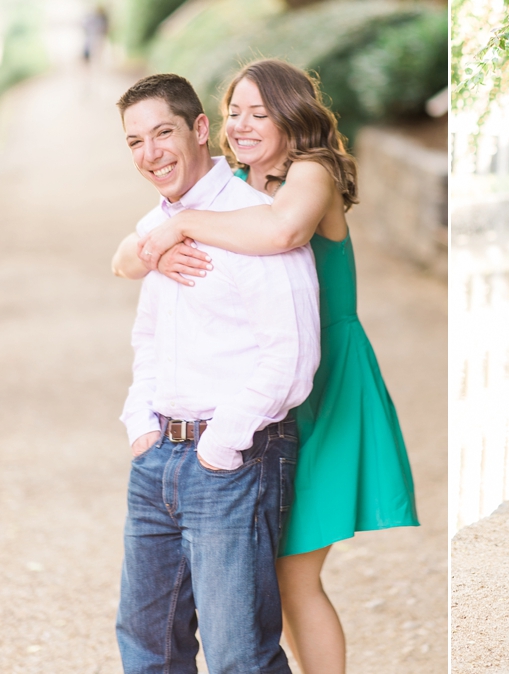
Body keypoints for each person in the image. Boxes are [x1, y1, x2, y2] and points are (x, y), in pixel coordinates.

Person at [111, 59, 419, 674]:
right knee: (268, 570)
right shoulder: (239, 181)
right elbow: (124, 258)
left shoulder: (312, 171)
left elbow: (279, 232)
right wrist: (157, 247)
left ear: (293, 113)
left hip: (325, 379)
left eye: (261, 112)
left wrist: (181, 227)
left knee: (295, 572)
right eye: (235, 114)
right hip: (268, 388)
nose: (244, 125)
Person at [115, 73, 319, 672]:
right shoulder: (159, 225)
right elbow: (148, 335)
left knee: (240, 657)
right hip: (156, 459)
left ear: (200, 129)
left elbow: (292, 355)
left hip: (236, 458)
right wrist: (140, 423)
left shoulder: (255, 220)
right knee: (146, 644)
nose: (150, 153)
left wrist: (223, 444)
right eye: (134, 142)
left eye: (162, 133)